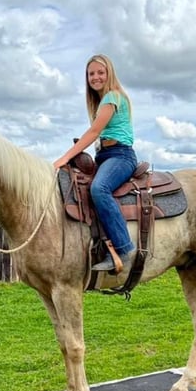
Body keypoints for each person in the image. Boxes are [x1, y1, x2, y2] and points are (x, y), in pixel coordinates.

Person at [53, 54, 137, 272]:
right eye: (91, 74)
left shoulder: (112, 97)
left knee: (99, 188)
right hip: (105, 155)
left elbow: (94, 132)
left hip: (121, 155)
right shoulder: (101, 102)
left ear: (109, 74)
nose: (95, 77)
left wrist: (66, 156)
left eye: (100, 72)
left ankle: (123, 248)